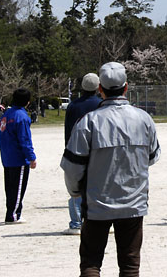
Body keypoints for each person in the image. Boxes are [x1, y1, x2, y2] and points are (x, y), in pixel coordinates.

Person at [61, 61, 160, 277]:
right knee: (130, 265)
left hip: (97, 204)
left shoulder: (89, 122)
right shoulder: (144, 119)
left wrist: (76, 191)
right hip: (134, 203)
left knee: (90, 263)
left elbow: (72, 167)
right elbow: (152, 157)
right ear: (126, 87)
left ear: (101, 89)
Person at [61, 72, 102, 235]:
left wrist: (67, 149)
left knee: (76, 187)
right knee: (98, 186)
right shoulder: (101, 104)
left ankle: (76, 223)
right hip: (97, 150)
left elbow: (68, 130)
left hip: (76, 150)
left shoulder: (73, 105)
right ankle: (100, 220)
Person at [0, 88, 37, 224]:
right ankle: (13, 215)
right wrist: (31, 157)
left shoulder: (6, 114)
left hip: (7, 156)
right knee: (18, 187)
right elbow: (25, 139)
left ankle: (11, 212)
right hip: (18, 158)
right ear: (27, 102)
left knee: (10, 188)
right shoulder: (22, 116)